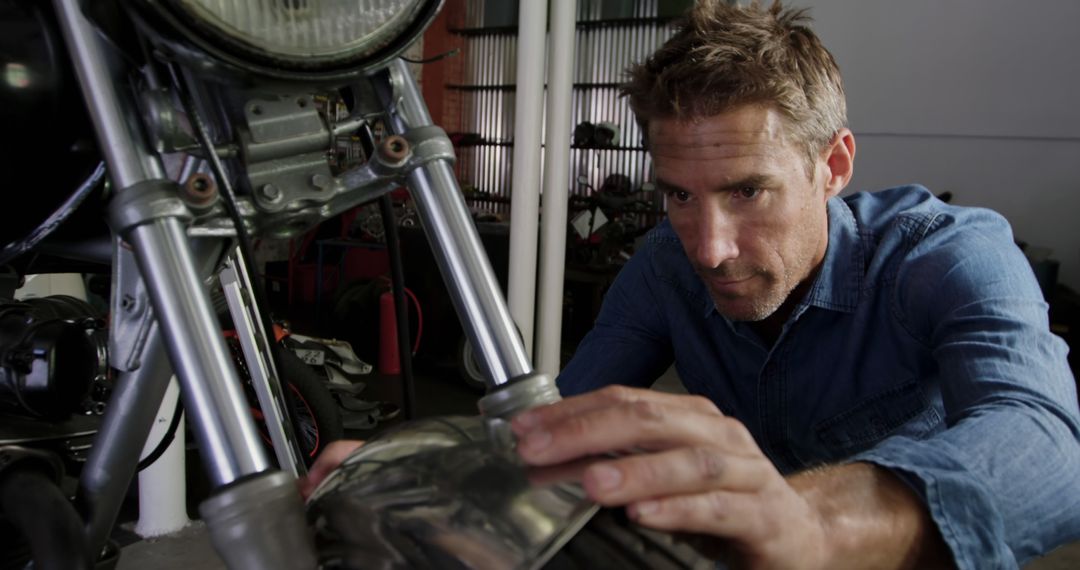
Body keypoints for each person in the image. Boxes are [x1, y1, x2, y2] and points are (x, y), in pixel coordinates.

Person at [304, 1, 1080, 568]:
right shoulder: (663, 266)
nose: (708, 249)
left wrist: (817, 525)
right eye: (679, 194)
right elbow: (565, 418)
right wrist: (431, 470)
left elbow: (1050, 449)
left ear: (833, 166)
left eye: (747, 191)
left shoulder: (947, 253)